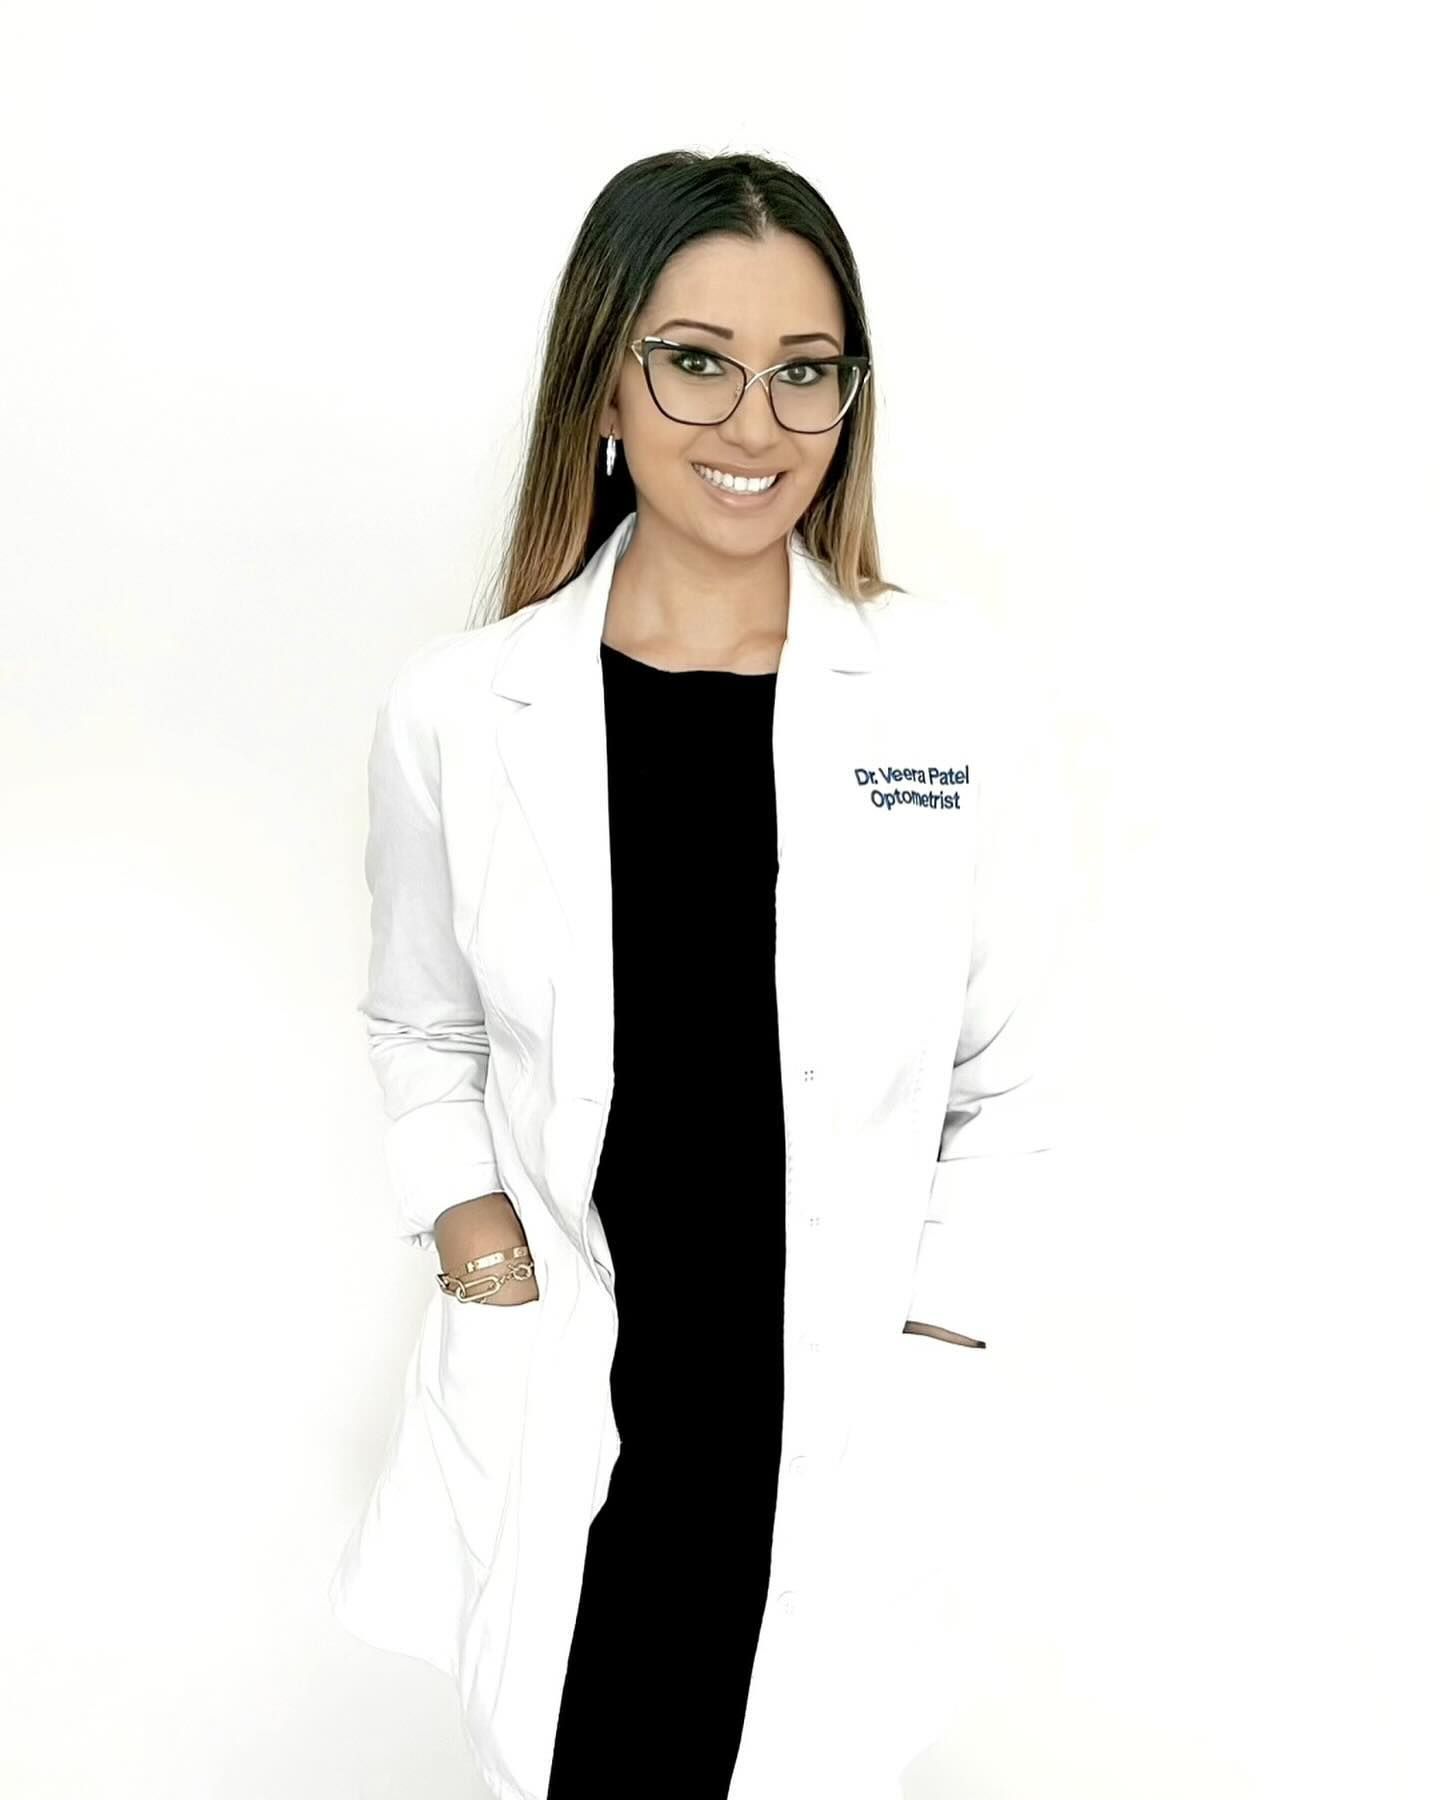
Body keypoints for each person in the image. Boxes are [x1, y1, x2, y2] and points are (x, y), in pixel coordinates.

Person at [331, 148, 1065, 1800]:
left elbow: (1009, 1078)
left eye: (806, 372)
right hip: (578, 1399)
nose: (755, 424)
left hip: (831, 1416)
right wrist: (475, 1238)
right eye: (697, 360)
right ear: (605, 372)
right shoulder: (462, 711)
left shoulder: (947, 699)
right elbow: (420, 1021)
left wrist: (931, 1344)